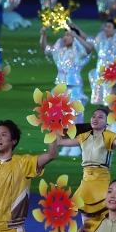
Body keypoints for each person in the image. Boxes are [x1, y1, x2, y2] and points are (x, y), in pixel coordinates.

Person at [40, 26, 93, 155]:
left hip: (74, 86)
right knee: (61, 116)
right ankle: (65, 144)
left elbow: (89, 48)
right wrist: (43, 35)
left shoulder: (78, 51)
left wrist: (77, 36)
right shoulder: (60, 51)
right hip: (60, 87)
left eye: (68, 35)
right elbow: (46, 49)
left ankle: (75, 145)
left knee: (75, 115)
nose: (65, 37)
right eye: (65, 35)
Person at [70, 20, 116, 109]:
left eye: (109, 27)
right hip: (100, 74)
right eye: (106, 26)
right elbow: (87, 38)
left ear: (115, 30)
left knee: (109, 100)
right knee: (100, 99)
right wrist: (75, 28)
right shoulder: (101, 40)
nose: (106, 28)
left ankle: (108, 119)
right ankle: (102, 118)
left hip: (111, 75)